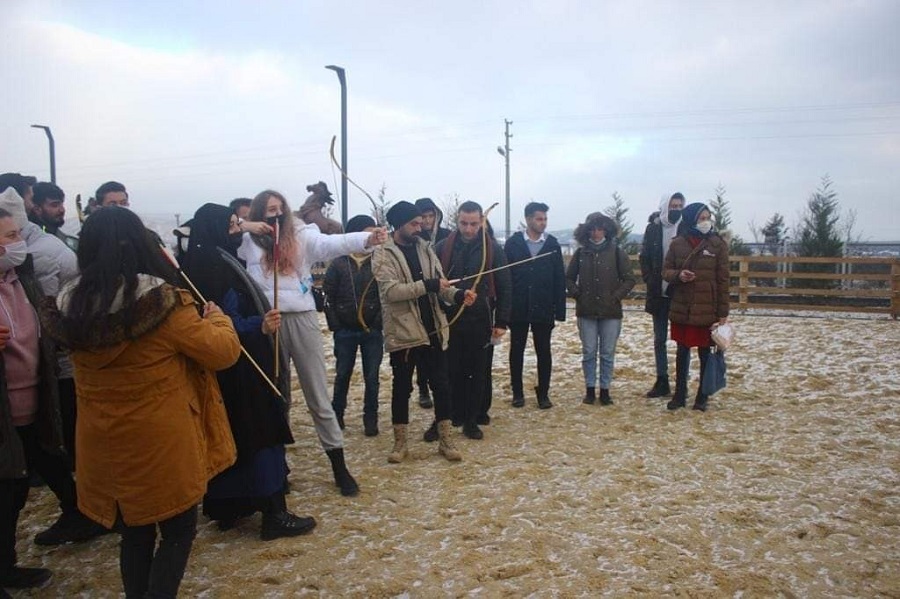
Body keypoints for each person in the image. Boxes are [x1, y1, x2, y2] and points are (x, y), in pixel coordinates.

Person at [42, 206, 241, 597]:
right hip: (161, 442)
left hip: (104, 444)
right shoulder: (162, 303)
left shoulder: (71, 306)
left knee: (133, 533)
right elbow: (222, 353)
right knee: (178, 530)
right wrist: (218, 319)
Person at [238, 190, 387, 497]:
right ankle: (278, 469)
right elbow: (215, 227)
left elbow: (331, 244)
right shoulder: (248, 241)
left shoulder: (301, 235)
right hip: (268, 319)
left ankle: (339, 465)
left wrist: (366, 239)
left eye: (279, 209)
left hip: (302, 317)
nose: (275, 216)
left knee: (317, 395)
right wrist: (247, 226)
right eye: (268, 211)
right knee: (276, 396)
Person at [182, 203, 316, 540]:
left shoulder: (206, 257)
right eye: (230, 226)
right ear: (213, 228)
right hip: (238, 366)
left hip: (226, 364)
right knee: (260, 433)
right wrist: (260, 325)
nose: (237, 230)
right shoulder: (210, 265)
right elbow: (219, 318)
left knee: (234, 434)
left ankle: (230, 507)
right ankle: (274, 514)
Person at [372, 201, 474, 463]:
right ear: (399, 225)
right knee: (402, 388)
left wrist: (458, 295)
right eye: (414, 224)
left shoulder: (426, 249)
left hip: (433, 329)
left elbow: (440, 285)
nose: (421, 227)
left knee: (441, 386)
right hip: (404, 332)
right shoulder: (383, 253)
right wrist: (426, 285)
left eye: (421, 222)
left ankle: (446, 441)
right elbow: (391, 292)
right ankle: (400, 443)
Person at [0, 206, 69, 593]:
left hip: (33, 402)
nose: (19, 243)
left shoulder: (21, 278)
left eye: (17, 234)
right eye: (9, 237)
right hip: (2, 411)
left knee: (16, 493)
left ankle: (6, 566)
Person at [434, 202, 510, 440]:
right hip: (450, 317)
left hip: (480, 318)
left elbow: (506, 286)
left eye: (474, 224)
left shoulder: (493, 249)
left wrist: (502, 322)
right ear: (457, 221)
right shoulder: (442, 247)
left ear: (481, 223)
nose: (468, 229)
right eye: (464, 223)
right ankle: (451, 415)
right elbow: (433, 283)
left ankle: (472, 418)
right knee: (449, 370)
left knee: (478, 371)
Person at [663, 202, 730, 412]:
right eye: (701, 218)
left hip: (707, 308)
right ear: (692, 219)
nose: (705, 221)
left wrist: (723, 312)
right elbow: (666, 271)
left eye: (708, 217)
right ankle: (679, 394)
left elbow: (723, 281)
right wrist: (679, 275)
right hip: (683, 306)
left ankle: (703, 395)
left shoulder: (718, 245)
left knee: (705, 353)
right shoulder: (678, 243)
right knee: (682, 351)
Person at [323, 214, 384, 437]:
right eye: (367, 234)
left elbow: (385, 295)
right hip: (345, 331)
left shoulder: (380, 261)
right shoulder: (339, 263)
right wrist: (336, 326)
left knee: (372, 376)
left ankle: (371, 417)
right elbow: (328, 295)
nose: (373, 238)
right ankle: (336, 414)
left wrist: (377, 322)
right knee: (343, 374)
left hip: (372, 330)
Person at [566, 213, 636, 405]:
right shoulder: (581, 253)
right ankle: (590, 389)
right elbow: (569, 277)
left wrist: (616, 296)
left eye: (600, 228)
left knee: (607, 352)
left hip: (611, 311)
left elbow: (630, 279)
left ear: (606, 230)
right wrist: (577, 293)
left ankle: (605, 389)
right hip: (586, 310)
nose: (596, 232)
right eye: (593, 229)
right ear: (586, 231)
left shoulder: (616, 252)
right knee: (588, 351)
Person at [503, 202, 566, 409]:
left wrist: (560, 309)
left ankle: (543, 393)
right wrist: (504, 308)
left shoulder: (552, 245)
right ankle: (517, 392)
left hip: (543, 306)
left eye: (545, 219)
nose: (543, 223)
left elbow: (559, 278)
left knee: (544, 351)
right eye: (539, 219)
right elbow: (506, 277)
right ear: (529, 219)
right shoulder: (513, 244)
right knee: (517, 350)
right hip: (518, 307)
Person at [639, 193, 685, 398]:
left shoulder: (685, 228)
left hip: (680, 293)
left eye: (680, 205)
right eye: (673, 205)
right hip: (658, 292)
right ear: (665, 206)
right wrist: (650, 279)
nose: (676, 209)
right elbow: (645, 256)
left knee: (682, 340)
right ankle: (662, 379)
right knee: (659, 339)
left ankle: (681, 382)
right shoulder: (654, 228)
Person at [410, 197, 448, 409]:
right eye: (422, 216)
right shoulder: (413, 238)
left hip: (443, 294)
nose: (426, 220)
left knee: (441, 346)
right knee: (422, 347)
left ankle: (442, 386)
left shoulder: (446, 236)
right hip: (420, 296)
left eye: (430, 216)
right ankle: (423, 388)